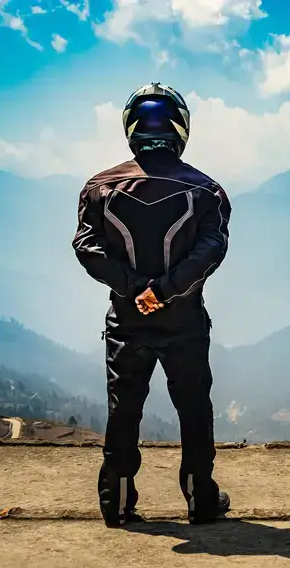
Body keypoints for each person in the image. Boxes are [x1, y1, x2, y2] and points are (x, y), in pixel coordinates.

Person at [72, 82, 232, 527]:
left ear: (129, 127)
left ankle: (118, 504)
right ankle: (201, 500)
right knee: (194, 409)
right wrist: (163, 290)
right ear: (182, 127)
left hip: (126, 320)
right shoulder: (207, 190)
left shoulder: (99, 186)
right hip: (184, 320)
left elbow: (88, 248)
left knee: (125, 410)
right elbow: (210, 251)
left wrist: (136, 288)